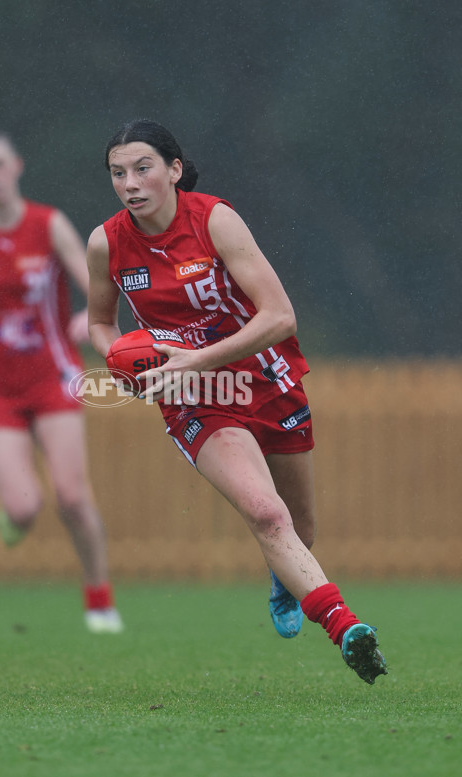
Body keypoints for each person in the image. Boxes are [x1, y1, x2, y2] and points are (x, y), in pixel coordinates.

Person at [86, 119, 387, 682]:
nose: (130, 182)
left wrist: (197, 356)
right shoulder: (106, 242)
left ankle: (285, 580)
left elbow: (280, 316)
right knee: (266, 512)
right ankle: (347, 628)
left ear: (174, 170)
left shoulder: (215, 219)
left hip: (265, 377)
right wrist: (124, 360)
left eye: (143, 168)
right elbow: (100, 324)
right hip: (195, 396)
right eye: (118, 172)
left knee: (299, 525)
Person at [0, 113, 123, 634]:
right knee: (26, 508)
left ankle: (100, 600)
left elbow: (92, 281)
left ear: (16, 167)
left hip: (53, 377)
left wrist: (89, 315)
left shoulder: (47, 224)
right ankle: (13, 508)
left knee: (73, 497)